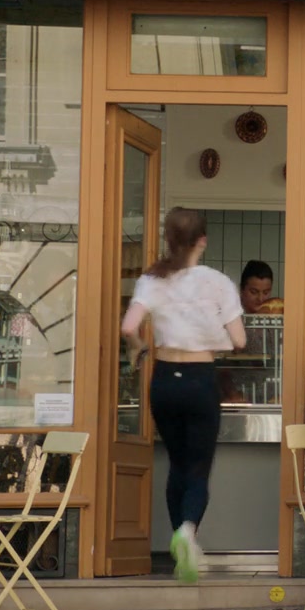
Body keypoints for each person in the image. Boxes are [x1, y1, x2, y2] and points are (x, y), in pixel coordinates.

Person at [120, 207, 245, 584]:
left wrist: (139, 347)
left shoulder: (152, 279)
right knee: (198, 468)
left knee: (176, 464)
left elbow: (128, 326)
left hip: (164, 380)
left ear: (169, 239)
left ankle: (182, 549)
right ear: (202, 241)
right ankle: (188, 531)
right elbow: (239, 340)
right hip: (200, 378)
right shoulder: (217, 282)